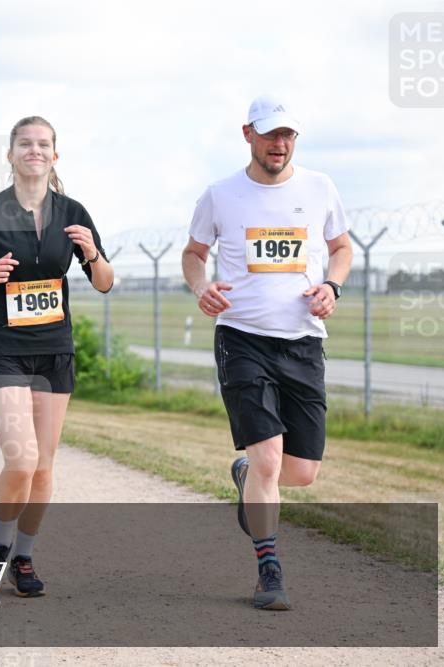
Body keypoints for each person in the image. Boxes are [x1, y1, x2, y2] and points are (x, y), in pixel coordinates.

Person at [181, 95, 353, 611]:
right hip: (242, 337)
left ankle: (246, 475)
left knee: (300, 473)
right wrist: (201, 287)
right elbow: (194, 255)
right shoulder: (220, 195)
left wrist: (333, 286)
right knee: (270, 461)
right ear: (248, 134)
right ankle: (269, 569)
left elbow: (342, 248)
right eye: (272, 134)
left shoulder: (320, 188)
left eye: (289, 136)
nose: (280, 145)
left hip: (302, 342)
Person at [0, 115, 113, 598]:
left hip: (53, 351)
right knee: (21, 459)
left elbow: (103, 283)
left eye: (43, 144)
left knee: (43, 467)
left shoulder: (73, 212)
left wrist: (92, 253)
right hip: (3, 348)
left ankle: (24, 556)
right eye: (26, 144)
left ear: (54, 155)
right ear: (11, 154)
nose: (34, 151)